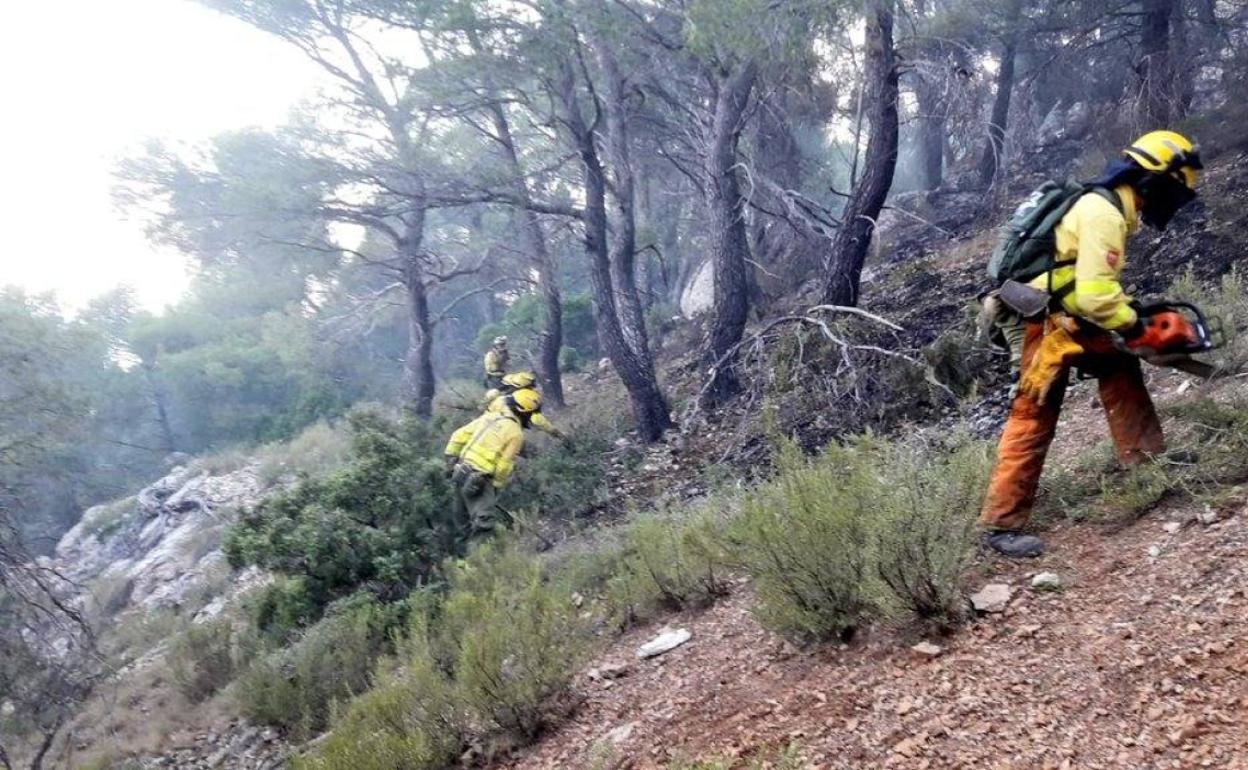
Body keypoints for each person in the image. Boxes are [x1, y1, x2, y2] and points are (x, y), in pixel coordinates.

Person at [981, 130, 1204, 558]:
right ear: (1152, 180)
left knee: (1119, 366)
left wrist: (1129, 321)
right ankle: (999, 525)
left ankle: (1146, 461)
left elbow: (1087, 288)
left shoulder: (1105, 206)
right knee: (1034, 410)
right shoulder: (1103, 213)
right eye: (1172, 190)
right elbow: (1094, 295)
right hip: (1043, 320)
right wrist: (1134, 324)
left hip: (1064, 312)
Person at [444, 387, 542, 540]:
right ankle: (480, 560)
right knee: (485, 523)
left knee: (462, 521)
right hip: (480, 481)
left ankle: (462, 557)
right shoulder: (515, 433)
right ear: (525, 412)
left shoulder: (490, 417)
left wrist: (450, 462)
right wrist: (496, 486)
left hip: (460, 473)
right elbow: (504, 465)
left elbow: (457, 436)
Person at [482, 371, 566, 439]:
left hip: (486, 426)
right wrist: (557, 434)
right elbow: (538, 420)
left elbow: (488, 402)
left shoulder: (499, 398)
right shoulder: (530, 397)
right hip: (508, 431)